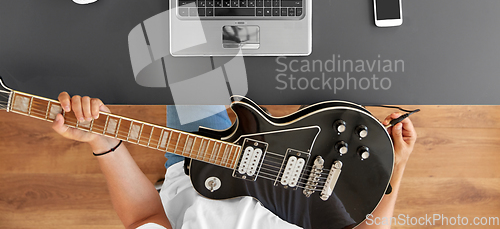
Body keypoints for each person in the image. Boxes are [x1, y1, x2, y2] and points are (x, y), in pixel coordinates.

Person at [52, 92, 417, 229]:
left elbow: (143, 218)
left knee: (188, 37)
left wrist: (104, 140)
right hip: (308, 183)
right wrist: (394, 170)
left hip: (199, 160)